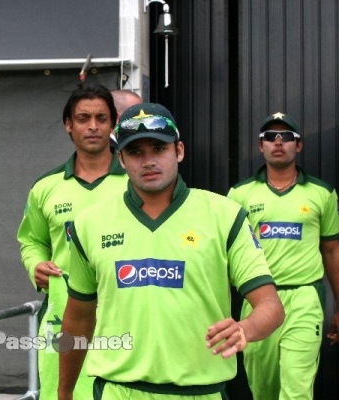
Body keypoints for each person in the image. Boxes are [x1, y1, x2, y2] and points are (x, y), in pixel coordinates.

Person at [58, 103, 285, 400]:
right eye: (136, 152)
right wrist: (64, 392)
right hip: (119, 391)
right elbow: (78, 318)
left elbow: (271, 307)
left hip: (202, 392)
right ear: (122, 160)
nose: (148, 161)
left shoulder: (225, 216)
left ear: (179, 151)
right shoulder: (90, 224)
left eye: (158, 148)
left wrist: (246, 328)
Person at [17, 82, 128, 399]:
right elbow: (32, 241)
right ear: (69, 124)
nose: (93, 126)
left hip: (123, 320)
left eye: (101, 118)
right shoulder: (46, 187)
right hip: (62, 320)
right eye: (83, 118)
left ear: (112, 124)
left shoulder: (137, 184)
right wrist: (35, 265)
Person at [227, 112, 339, 400]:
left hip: (304, 299)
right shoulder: (240, 194)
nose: (279, 142)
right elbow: (224, 254)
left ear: (298, 146)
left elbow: (331, 251)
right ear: (259, 146)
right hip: (258, 301)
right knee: (263, 389)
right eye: (270, 137)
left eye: (287, 136)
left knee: (297, 388)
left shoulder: (322, 194)